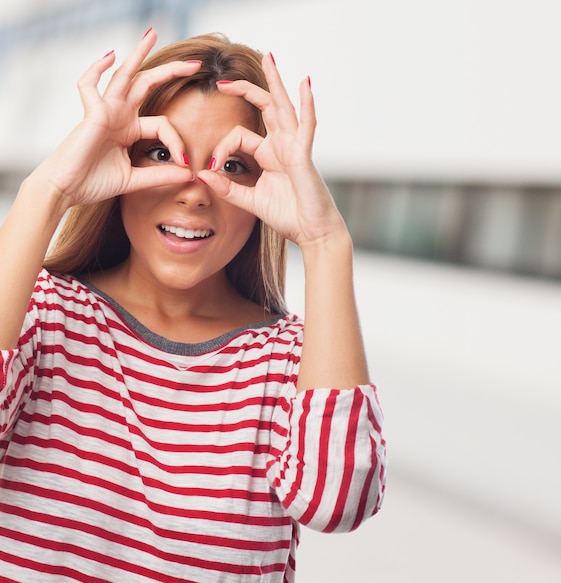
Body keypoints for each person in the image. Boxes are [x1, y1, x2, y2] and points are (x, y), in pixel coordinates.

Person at [0, 28, 386, 582]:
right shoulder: (41, 313)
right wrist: (50, 188)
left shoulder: (293, 363)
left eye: (232, 165)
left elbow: (337, 503)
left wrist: (326, 242)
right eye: (162, 153)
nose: (196, 190)